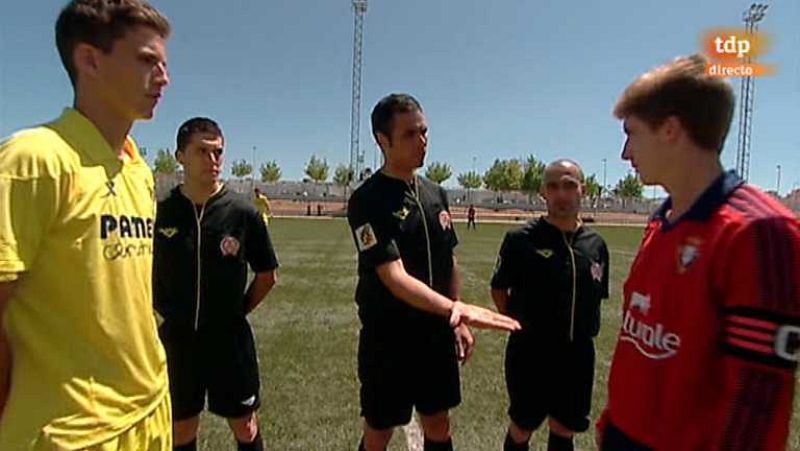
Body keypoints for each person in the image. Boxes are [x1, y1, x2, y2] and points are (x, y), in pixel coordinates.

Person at [597, 54, 800, 450]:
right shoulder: (661, 220)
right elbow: (637, 344)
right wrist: (612, 425)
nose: (624, 154)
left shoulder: (761, 231)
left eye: (631, 133)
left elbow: (755, 407)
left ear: (670, 130)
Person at [0, 1, 172, 449]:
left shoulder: (138, 168)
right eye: (147, 60)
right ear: (90, 59)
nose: (164, 77)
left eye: (164, 64)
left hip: (149, 412)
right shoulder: (33, 159)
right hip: (72, 432)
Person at [347, 93, 521, 451]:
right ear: (383, 140)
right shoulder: (367, 199)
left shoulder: (435, 194)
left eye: (424, 132)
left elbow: (448, 260)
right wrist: (455, 310)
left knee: (438, 424)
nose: (422, 141)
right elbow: (392, 276)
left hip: (434, 335)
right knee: (379, 431)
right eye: (410, 134)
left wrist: (455, 318)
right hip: (388, 337)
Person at [153, 118, 279, 451]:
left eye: (218, 152)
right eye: (202, 152)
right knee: (180, 429)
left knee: (245, 426)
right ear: (180, 156)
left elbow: (267, 275)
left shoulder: (242, 213)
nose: (213, 160)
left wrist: (237, 311)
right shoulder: (162, 213)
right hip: (177, 339)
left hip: (228, 341)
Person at [492, 160, 609, 451]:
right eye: (553, 186)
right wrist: (520, 325)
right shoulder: (521, 240)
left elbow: (595, 298)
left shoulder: (596, 245)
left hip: (578, 355)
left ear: (583, 190)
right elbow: (498, 289)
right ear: (543, 192)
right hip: (530, 353)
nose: (561, 193)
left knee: (565, 428)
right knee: (522, 427)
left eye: (569, 185)